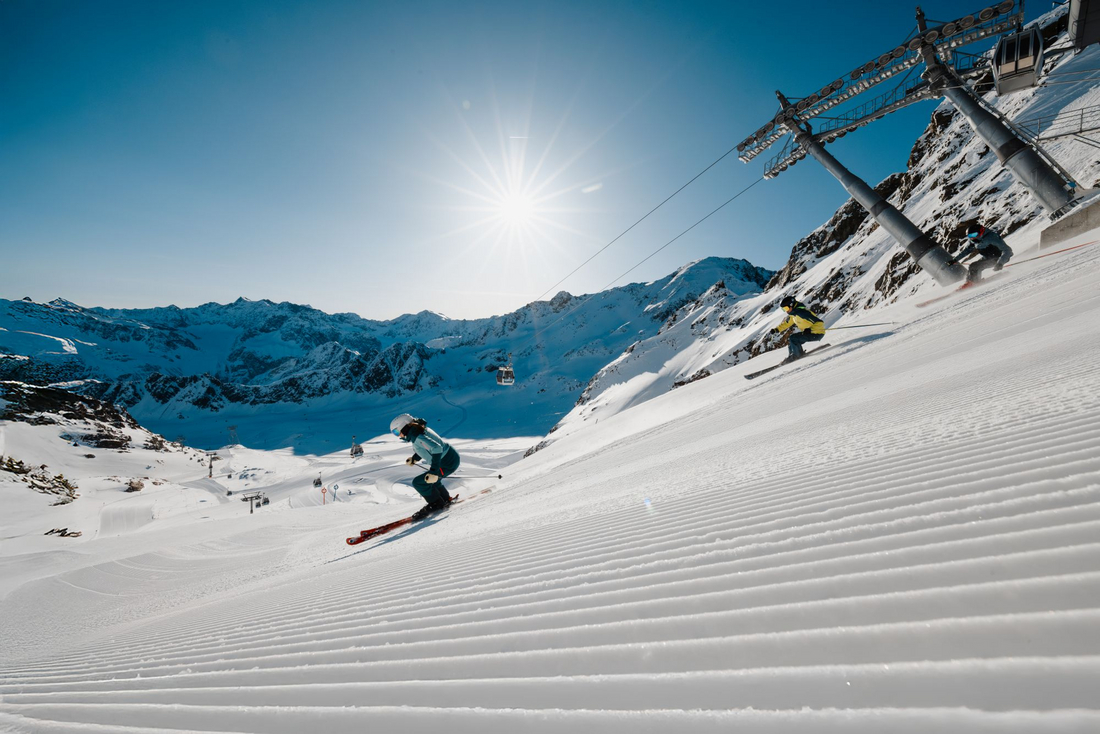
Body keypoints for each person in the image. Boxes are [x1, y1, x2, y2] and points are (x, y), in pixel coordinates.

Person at [389, 413, 460, 519]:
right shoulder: (418, 430)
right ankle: (444, 499)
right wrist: (415, 458)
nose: (398, 435)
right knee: (432, 481)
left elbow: (436, 448)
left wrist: (434, 471)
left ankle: (436, 504)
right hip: (449, 458)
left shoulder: (417, 436)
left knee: (419, 483)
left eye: (396, 432)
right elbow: (427, 447)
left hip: (446, 462)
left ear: (403, 427)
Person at [773, 295, 826, 361]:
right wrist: (777, 329)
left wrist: (810, 329)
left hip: (817, 333)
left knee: (794, 339)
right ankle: (793, 355)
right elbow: (787, 323)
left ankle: (796, 356)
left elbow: (819, 322)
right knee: (791, 340)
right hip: (810, 332)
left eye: (786, 308)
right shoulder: (794, 314)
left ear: (791, 305)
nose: (786, 311)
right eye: (783, 309)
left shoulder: (802, 313)